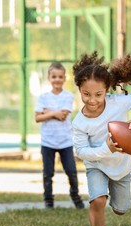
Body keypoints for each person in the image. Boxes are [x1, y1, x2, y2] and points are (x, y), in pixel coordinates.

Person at [72, 51, 131, 226]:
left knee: (120, 210)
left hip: (120, 166)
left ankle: (114, 200)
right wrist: (105, 149)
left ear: (106, 90)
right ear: (79, 90)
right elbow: (82, 152)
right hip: (97, 165)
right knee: (98, 200)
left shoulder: (117, 102)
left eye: (98, 94)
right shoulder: (79, 122)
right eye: (86, 94)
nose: (92, 100)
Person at [34, 62, 85, 209]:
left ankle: (76, 197)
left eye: (60, 77)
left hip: (65, 142)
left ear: (64, 78)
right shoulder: (43, 97)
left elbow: (63, 115)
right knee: (47, 174)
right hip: (47, 142)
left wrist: (47, 112)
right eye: (54, 76)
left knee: (71, 172)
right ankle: (48, 201)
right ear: (49, 78)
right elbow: (37, 118)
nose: (57, 79)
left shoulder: (68, 96)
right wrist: (53, 113)